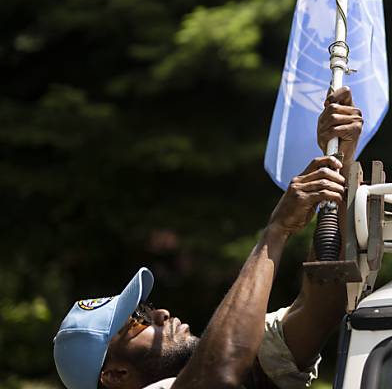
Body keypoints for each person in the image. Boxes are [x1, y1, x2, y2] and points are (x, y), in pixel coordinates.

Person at [53, 88, 364, 389]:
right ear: (116, 375)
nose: (161, 314)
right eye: (136, 321)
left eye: (146, 309)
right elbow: (221, 371)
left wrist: (340, 162)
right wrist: (276, 230)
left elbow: (320, 306)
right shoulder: (207, 373)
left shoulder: (220, 363)